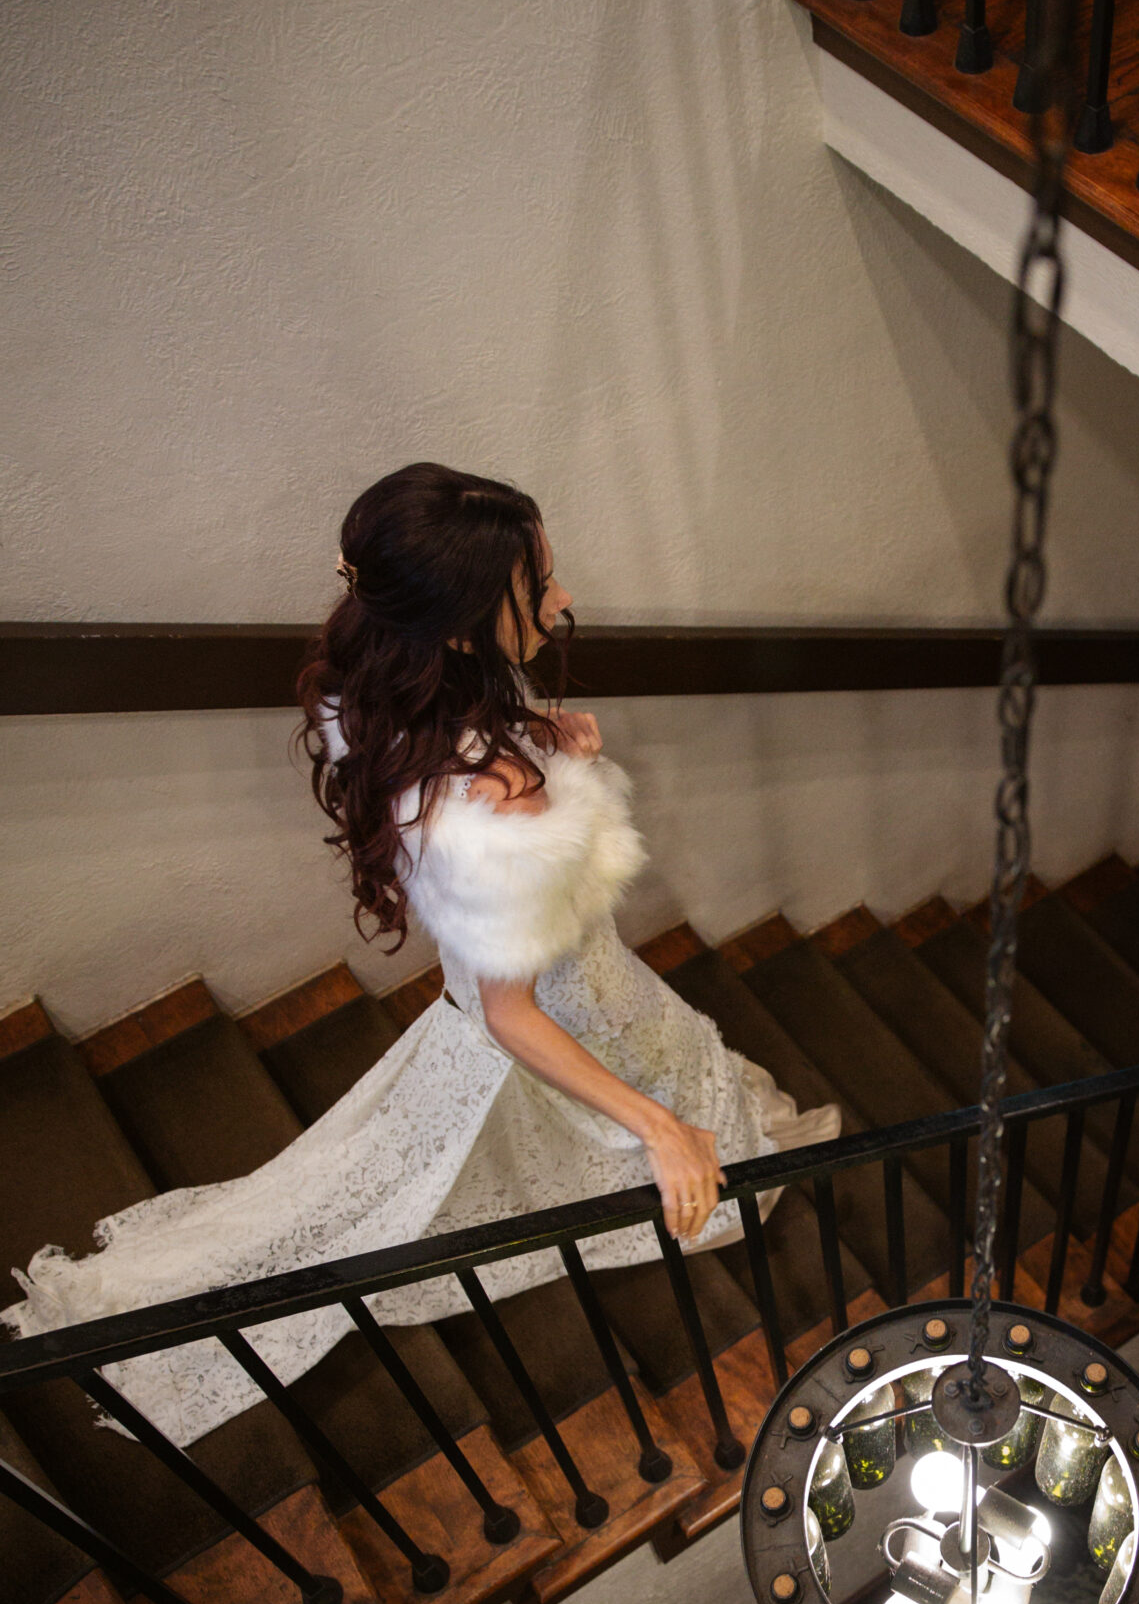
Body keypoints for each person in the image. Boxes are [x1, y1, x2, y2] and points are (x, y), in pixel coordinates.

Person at [5, 463, 838, 1445]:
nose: (564, 599)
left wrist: (553, 742)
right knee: (639, 1131)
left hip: (526, 974)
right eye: (540, 587)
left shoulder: (386, 691)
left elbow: (458, 837)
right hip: (579, 1010)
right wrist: (657, 1126)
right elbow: (510, 1010)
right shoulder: (499, 800)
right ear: (459, 623)